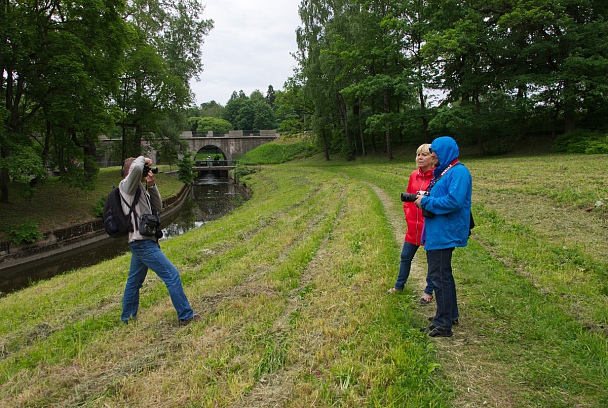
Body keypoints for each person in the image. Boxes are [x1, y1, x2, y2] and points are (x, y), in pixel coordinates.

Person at [119, 156, 200, 326]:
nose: (146, 171)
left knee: (134, 283)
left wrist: (152, 186)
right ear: (134, 171)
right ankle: (185, 316)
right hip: (142, 242)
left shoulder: (140, 190)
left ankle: (127, 318)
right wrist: (142, 159)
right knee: (172, 275)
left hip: (144, 241)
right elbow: (135, 169)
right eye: (144, 170)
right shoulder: (126, 187)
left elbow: (158, 207)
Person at [415, 136, 472, 338]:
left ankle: (443, 324)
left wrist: (427, 203)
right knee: (443, 276)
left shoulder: (459, 172)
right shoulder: (447, 171)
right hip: (439, 230)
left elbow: (454, 201)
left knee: (440, 278)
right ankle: (447, 315)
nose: (432, 155)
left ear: (445, 152)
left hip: (445, 232)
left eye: (434, 152)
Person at [387, 144, 435, 295]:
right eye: (418, 154)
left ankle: (428, 291)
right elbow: (408, 199)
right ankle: (399, 286)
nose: (420, 157)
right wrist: (408, 215)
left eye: (424, 155)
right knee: (405, 257)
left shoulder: (437, 177)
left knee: (432, 262)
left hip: (429, 227)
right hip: (413, 226)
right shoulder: (414, 175)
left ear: (433, 158)